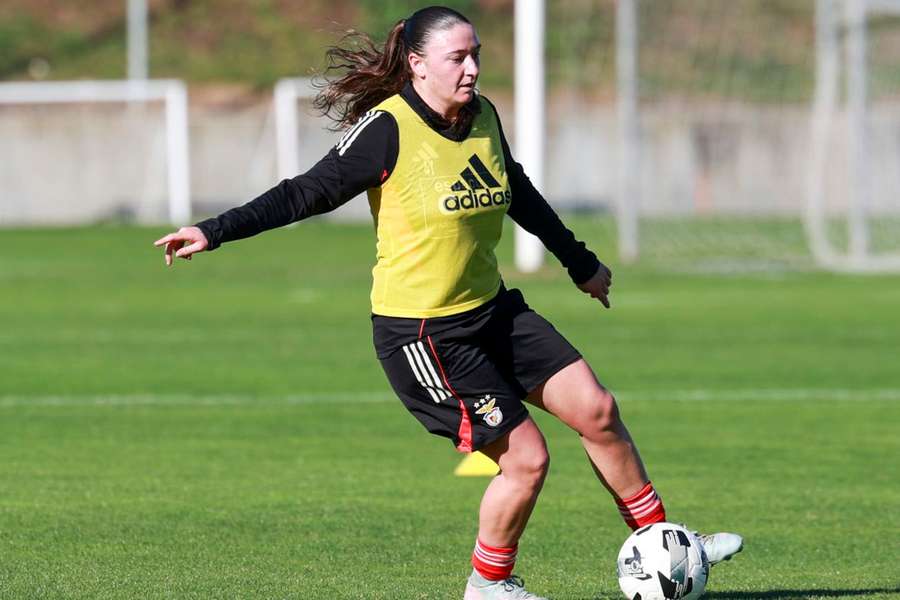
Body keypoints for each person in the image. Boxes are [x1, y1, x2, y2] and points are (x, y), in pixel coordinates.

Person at [154, 6, 742, 599]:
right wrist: (216, 229)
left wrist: (580, 263)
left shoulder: (482, 114)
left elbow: (518, 193)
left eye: (476, 54)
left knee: (597, 409)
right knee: (527, 461)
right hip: (425, 335)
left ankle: (665, 542)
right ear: (417, 65)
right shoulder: (389, 128)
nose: (472, 68)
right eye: (457, 57)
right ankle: (488, 587)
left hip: (493, 312)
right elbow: (308, 191)